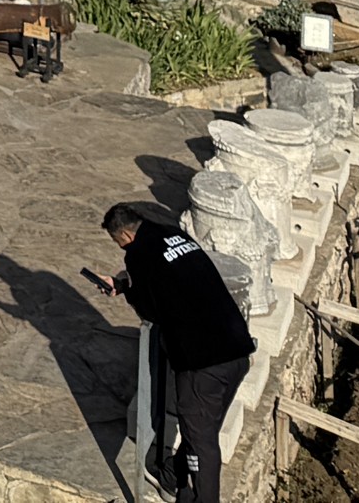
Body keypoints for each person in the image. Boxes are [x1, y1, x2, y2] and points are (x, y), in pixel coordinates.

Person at [96, 200, 254, 503]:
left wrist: (128, 290)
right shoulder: (175, 235)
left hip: (202, 364)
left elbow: (150, 309)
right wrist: (125, 284)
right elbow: (173, 278)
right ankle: (172, 475)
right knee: (201, 429)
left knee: (202, 443)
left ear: (124, 236)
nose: (122, 248)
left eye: (118, 243)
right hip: (236, 350)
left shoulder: (138, 253)